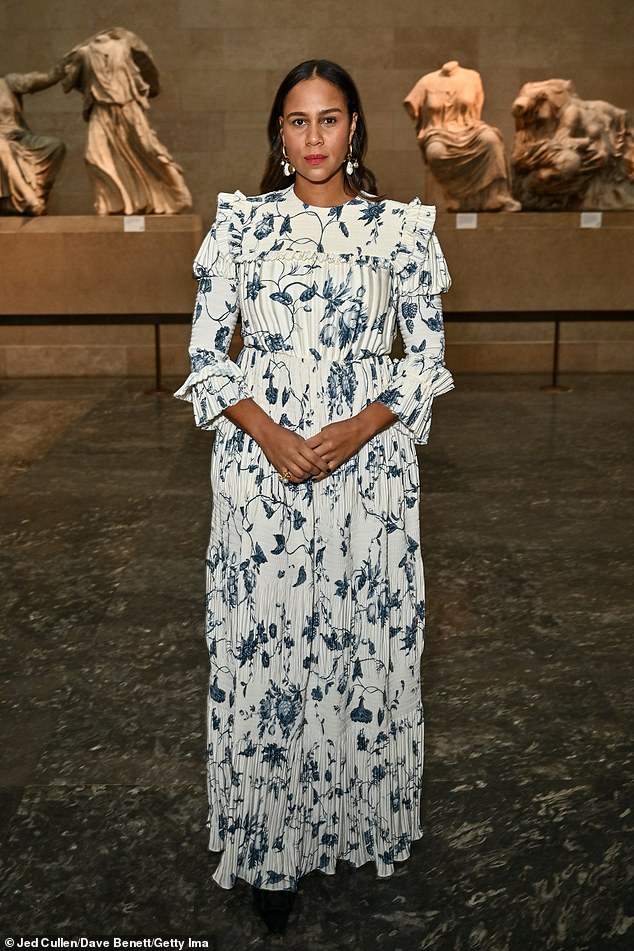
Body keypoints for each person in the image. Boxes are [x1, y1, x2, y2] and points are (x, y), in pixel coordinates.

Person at [175, 59, 454, 933]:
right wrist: (272, 435)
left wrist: (359, 427)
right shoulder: (242, 228)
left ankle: (348, 817)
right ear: (278, 136)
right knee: (269, 656)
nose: (314, 137)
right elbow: (207, 360)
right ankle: (270, 845)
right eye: (297, 123)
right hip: (263, 477)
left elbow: (427, 359)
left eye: (330, 120)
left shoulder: (400, 230)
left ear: (356, 129)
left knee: (355, 644)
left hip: (367, 479)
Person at [60, 27, 191, 215]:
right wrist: (70, 66)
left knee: (148, 149)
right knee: (94, 155)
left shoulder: (122, 47)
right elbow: (67, 83)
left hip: (128, 107)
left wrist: (141, 91)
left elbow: (136, 76)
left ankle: (178, 194)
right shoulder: (84, 53)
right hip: (101, 110)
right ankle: (107, 203)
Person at [0, 65, 66, 215]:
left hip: (19, 137)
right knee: (1, 146)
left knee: (55, 146)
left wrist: (63, 68)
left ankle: (38, 193)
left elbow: (42, 79)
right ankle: (29, 197)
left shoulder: (7, 83)